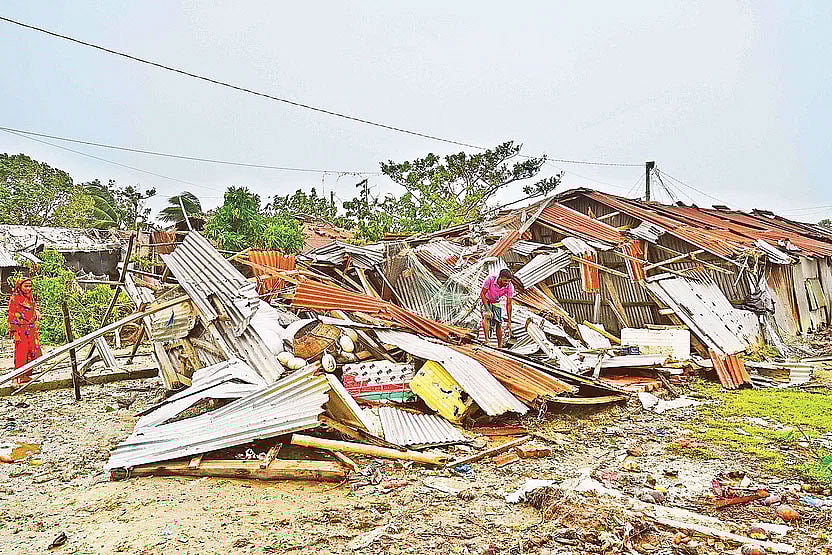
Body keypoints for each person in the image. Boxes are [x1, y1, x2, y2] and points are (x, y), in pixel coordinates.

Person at [8, 278, 42, 384]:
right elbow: (11, 316)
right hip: (20, 330)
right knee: (21, 353)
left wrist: (36, 311)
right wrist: (14, 332)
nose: (28, 288)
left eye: (30, 286)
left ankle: (27, 374)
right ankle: (20, 375)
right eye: (25, 286)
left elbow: (32, 309)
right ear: (20, 287)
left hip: (31, 330)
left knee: (32, 351)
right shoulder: (14, 299)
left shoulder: (30, 298)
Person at [480, 268, 515, 348]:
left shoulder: (510, 286)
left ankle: (499, 346)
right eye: (505, 281)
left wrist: (509, 321)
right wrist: (488, 310)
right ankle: (487, 340)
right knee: (487, 316)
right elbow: (482, 294)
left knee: (499, 323)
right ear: (500, 277)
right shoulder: (490, 279)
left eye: (508, 281)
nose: (507, 283)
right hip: (486, 299)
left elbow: (509, 304)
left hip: (496, 301)